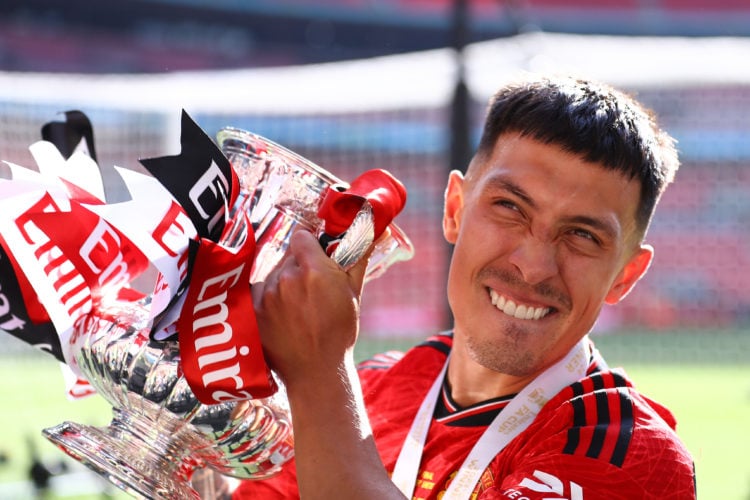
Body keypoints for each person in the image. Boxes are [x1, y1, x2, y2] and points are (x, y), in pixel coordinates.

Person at [232, 74, 697, 499]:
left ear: (624, 276)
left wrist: (317, 371)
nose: (534, 266)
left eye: (582, 235)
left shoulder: (631, 455)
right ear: (454, 209)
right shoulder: (372, 390)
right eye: (510, 207)